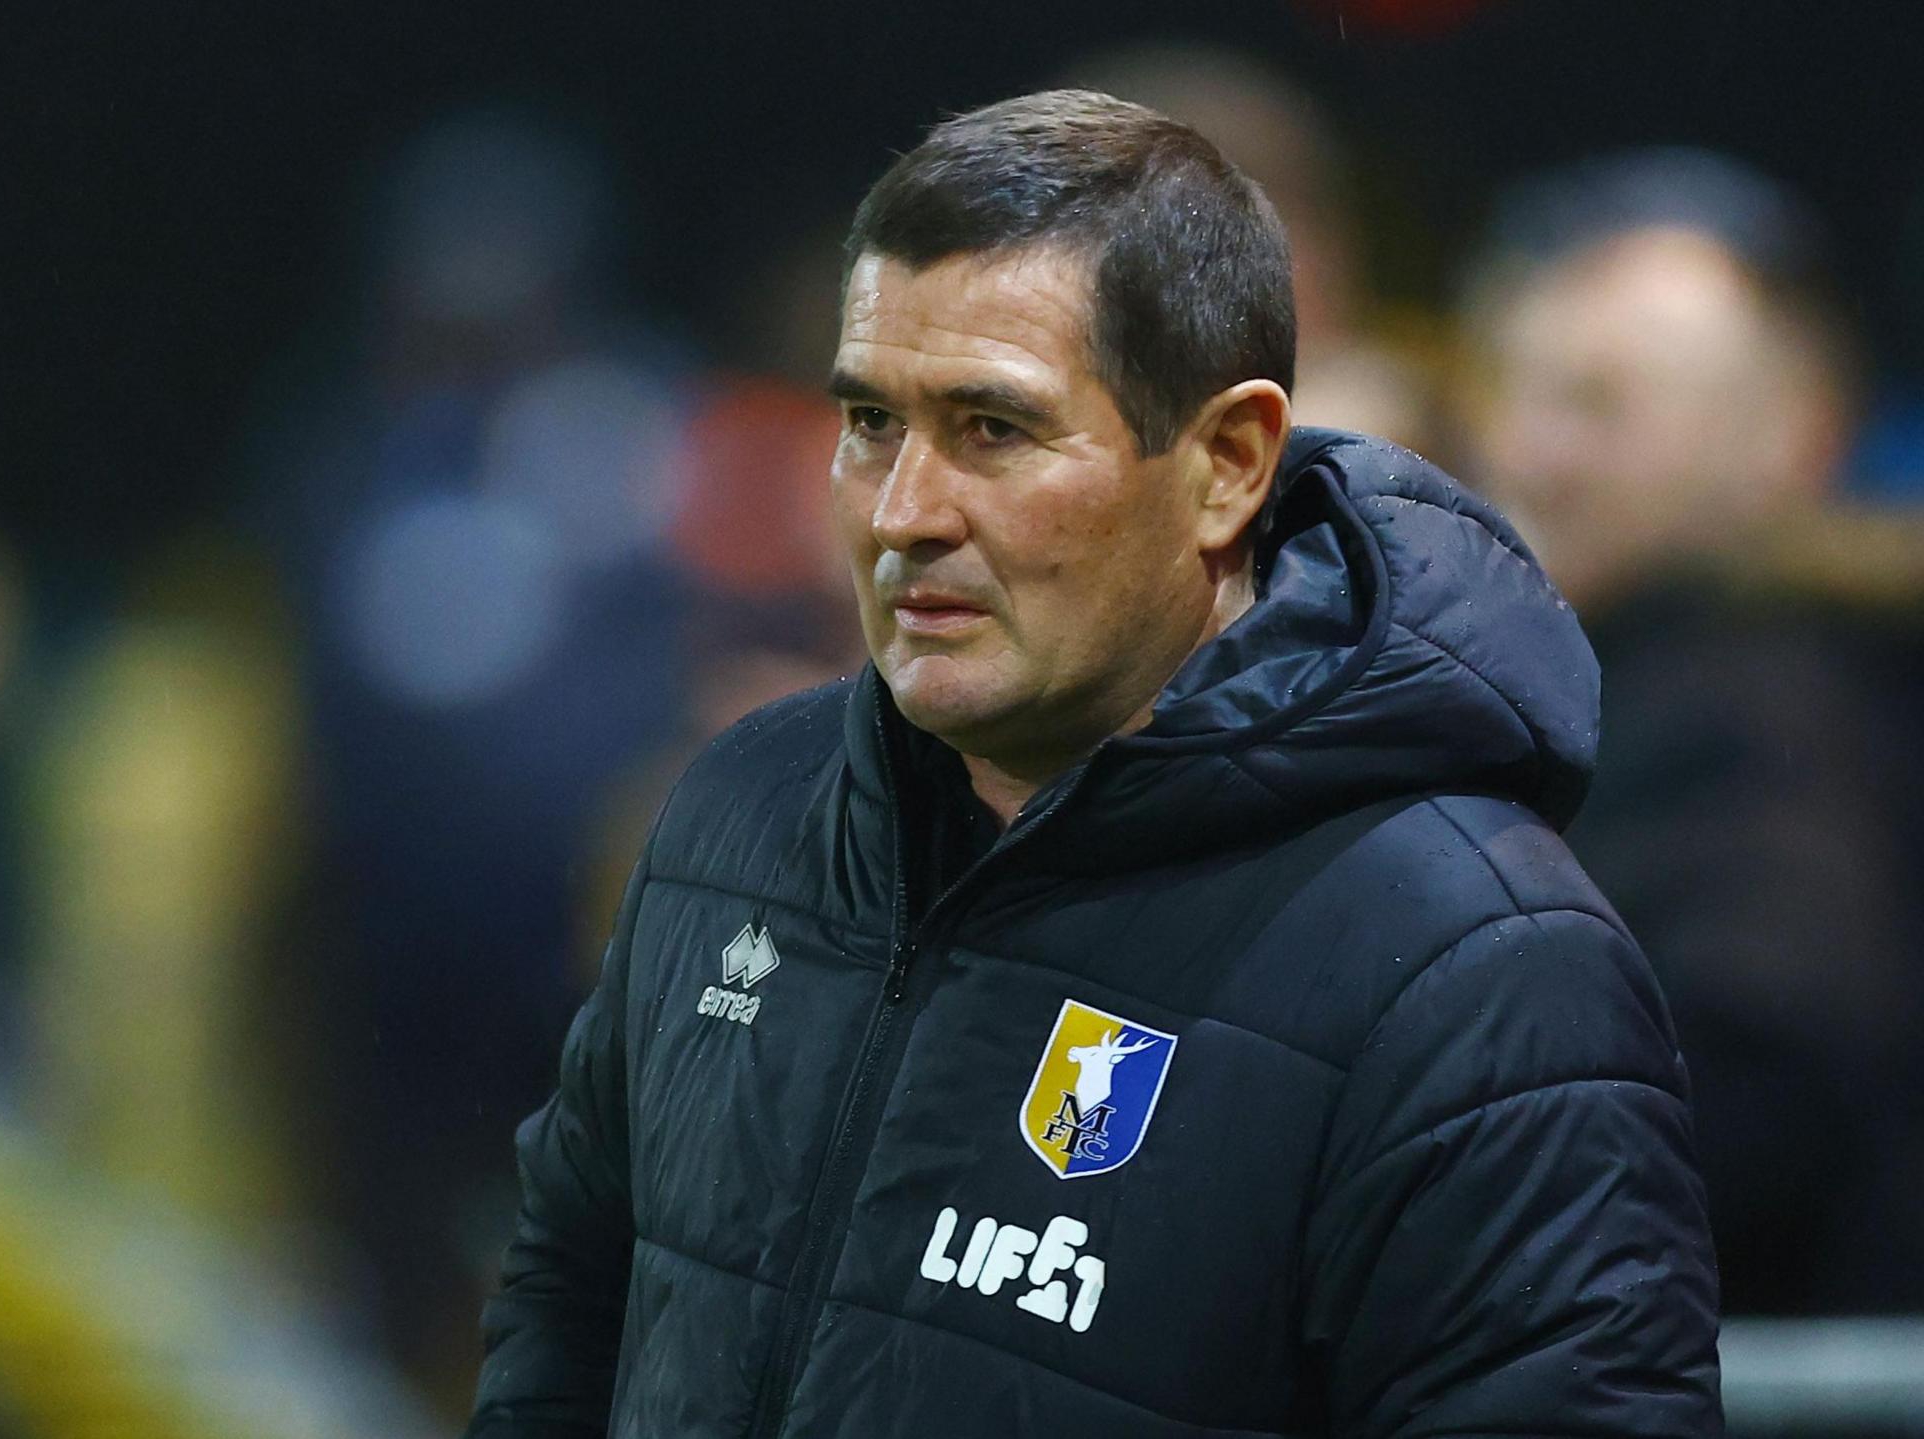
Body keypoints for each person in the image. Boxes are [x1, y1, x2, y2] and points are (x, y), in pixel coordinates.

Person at [465, 90, 1721, 1437]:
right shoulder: (739, 819)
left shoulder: (1480, 968)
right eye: (871, 420)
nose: (903, 513)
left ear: (1229, 462)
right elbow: (561, 1336)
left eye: (993, 429)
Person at [1457, 150, 1924, 1316]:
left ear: (1793, 434)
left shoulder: (1764, 703)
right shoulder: (1571, 679)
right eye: (1519, 391)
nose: (1536, 453)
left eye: (1602, 405)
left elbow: (1755, 1081)